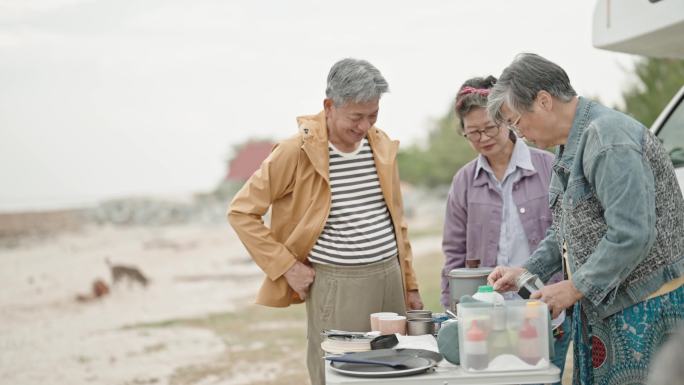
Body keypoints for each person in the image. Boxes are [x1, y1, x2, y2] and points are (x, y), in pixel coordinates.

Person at [486, 53, 684, 385]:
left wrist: (576, 286)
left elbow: (631, 234)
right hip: (609, 307)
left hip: (644, 310)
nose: (518, 136)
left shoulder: (608, 139)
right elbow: (565, 229)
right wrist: (528, 270)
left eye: (517, 123)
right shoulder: (569, 145)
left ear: (544, 101)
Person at [228, 58, 423, 385]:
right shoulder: (294, 151)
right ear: (329, 106)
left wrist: (411, 285)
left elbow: (397, 221)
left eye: (372, 115)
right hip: (338, 284)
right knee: (338, 374)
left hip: (390, 278)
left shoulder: (380, 144)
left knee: (399, 373)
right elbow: (241, 212)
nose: (365, 127)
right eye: (356, 117)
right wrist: (287, 267)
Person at [441, 75, 571, 382]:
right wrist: (452, 310)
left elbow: (568, 236)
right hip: (484, 317)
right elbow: (453, 252)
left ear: (507, 119)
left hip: (544, 313)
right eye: (473, 132)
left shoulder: (547, 167)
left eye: (489, 127)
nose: (483, 138)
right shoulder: (464, 181)